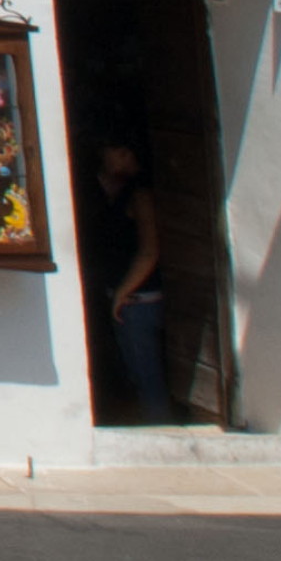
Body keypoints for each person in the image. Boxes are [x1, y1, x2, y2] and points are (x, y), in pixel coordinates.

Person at [87, 132, 171, 422]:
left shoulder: (140, 194)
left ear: (124, 153)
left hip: (138, 302)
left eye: (110, 152)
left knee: (147, 380)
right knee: (137, 376)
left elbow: (149, 250)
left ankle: (160, 433)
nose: (105, 159)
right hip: (129, 300)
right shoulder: (119, 191)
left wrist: (123, 292)